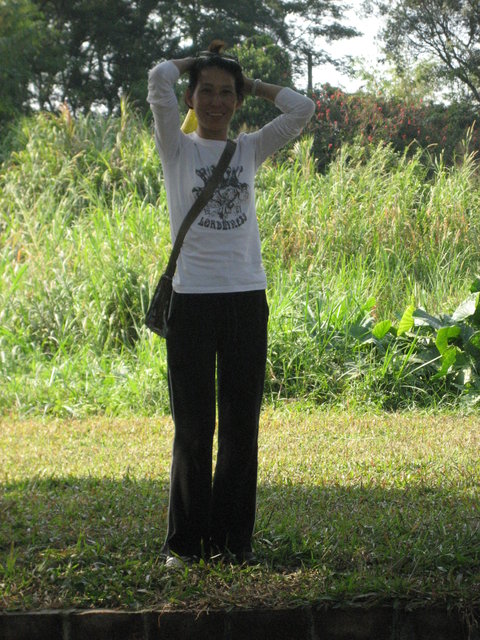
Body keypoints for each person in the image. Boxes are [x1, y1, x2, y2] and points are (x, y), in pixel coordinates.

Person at [147, 41, 314, 568]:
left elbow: (302, 109)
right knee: (194, 428)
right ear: (191, 98)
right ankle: (185, 546)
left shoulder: (248, 150)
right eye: (207, 91)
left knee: (242, 428)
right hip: (192, 301)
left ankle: (232, 543)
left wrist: (254, 84)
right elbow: (158, 77)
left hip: (246, 298)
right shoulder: (176, 148)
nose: (216, 102)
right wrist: (192, 60)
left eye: (227, 93)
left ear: (237, 101)